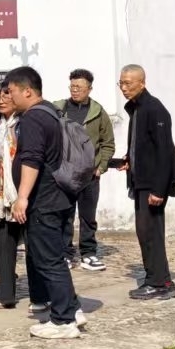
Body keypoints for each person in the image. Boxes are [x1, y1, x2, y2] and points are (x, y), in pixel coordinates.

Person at [6, 66, 84, 339]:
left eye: (12, 91)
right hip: (60, 197)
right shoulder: (51, 111)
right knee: (55, 257)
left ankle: (63, 321)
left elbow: (32, 159)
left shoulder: (33, 118)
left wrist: (22, 198)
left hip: (44, 199)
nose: (9, 96)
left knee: (48, 260)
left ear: (27, 91)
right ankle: (72, 309)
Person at [115, 64, 175, 301]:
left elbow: (164, 151)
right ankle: (155, 279)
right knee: (144, 232)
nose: (124, 88)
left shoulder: (155, 109)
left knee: (151, 232)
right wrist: (129, 159)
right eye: (121, 83)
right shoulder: (136, 108)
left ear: (142, 83)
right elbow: (142, 145)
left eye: (128, 83)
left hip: (153, 183)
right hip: (140, 180)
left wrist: (159, 190)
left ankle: (161, 283)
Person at [61, 69, 116, 272]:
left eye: (79, 87)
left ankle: (88, 253)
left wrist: (101, 167)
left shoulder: (98, 112)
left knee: (88, 217)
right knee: (64, 215)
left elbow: (108, 143)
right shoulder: (60, 109)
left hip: (90, 175)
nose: (74, 90)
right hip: (65, 174)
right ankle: (65, 254)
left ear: (89, 89)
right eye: (72, 86)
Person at [0, 82, 25, 310]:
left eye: (6, 95)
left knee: (34, 248)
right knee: (4, 247)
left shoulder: (23, 123)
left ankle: (41, 296)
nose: (1, 100)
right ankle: (5, 295)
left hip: (22, 192)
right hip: (2, 196)